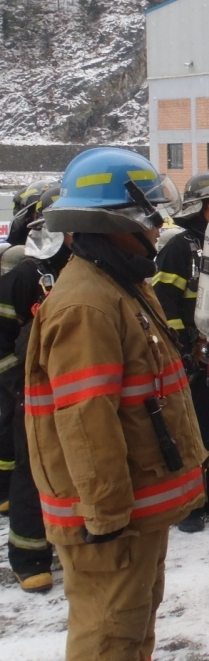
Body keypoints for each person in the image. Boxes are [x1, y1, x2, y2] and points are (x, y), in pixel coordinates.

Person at [24, 147, 206, 659]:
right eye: (148, 218)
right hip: (111, 517)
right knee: (109, 634)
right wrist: (105, 515)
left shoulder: (119, 284)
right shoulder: (88, 304)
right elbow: (86, 419)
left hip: (133, 507)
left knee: (133, 625)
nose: (157, 229)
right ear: (114, 222)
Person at [152, 171, 209, 533]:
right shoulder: (180, 248)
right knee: (193, 431)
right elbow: (164, 303)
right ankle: (190, 504)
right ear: (198, 207)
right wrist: (184, 349)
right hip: (194, 358)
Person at [0, 187, 70, 593]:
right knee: (32, 471)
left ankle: (71, 541)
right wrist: (19, 386)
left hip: (76, 393)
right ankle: (29, 557)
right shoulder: (27, 276)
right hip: (34, 398)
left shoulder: (92, 269)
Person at [0, 178, 54, 515]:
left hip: (55, 388)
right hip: (22, 383)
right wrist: (16, 380)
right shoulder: (23, 272)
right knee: (23, 452)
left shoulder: (81, 269)